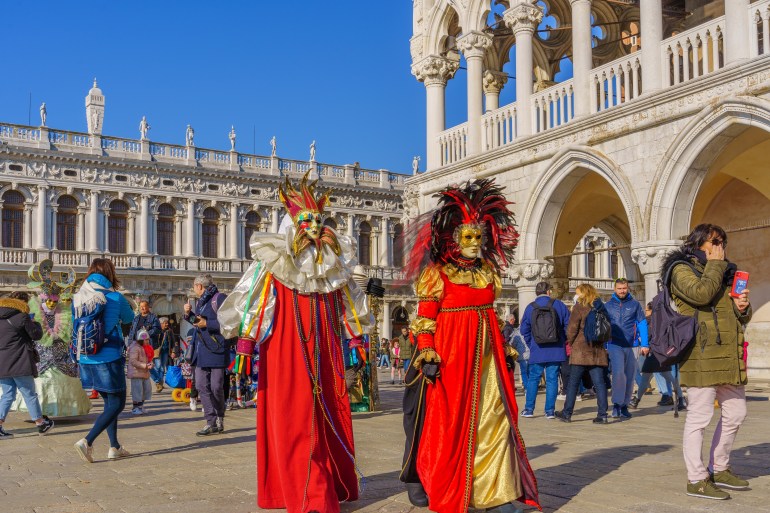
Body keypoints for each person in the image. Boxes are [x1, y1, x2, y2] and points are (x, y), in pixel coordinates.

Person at [218, 173, 372, 513]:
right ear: (292, 224)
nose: (316, 227)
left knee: (326, 412)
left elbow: (351, 303)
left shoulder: (335, 268)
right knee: (295, 417)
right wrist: (245, 344)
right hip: (287, 351)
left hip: (327, 351)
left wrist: (356, 337)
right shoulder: (274, 263)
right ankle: (309, 495)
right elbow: (254, 303)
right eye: (307, 220)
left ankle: (327, 484)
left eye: (319, 220)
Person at [402, 178, 540, 512]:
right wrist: (426, 349)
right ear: (453, 237)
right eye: (468, 236)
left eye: (479, 236)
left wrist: (503, 346)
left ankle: (498, 492)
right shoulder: (438, 273)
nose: (475, 243)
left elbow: (489, 313)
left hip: (487, 359)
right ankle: (434, 480)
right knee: (447, 424)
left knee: (494, 419)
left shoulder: (488, 272)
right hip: (450, 358)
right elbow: (425, 317)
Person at [661, 223, 752, 500]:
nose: (720, 246)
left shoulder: (725, 273)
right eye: (714, 241)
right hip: (699, 354)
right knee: (699, 418)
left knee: (736, 412)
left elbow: (737, 318)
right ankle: (697, 478)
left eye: (723, 241)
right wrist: (715, 265)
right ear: (699, 242)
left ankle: (720, 467)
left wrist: (743, 308)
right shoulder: (680, 269)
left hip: (727, 355)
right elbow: (700, 294)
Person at [73, 258, 135, 462]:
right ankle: (87, 441)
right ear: (110, 274)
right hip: (109, 357)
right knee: (118, 403)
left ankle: (114, 447)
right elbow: (128, 319)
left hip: (87, 357)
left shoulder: (79, 297)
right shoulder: (115, 297)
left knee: (110, 403)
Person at [11, 259, 90, 417]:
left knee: (64, 377)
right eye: (49, 301)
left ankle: (64, 408)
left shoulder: (64, 313)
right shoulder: (33, 313)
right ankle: (40, 410)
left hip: (61, 355)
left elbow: (69, 331)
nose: (52, 304)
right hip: (41, 356)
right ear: (42, 300)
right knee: (42, 379)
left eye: (54, 301)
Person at [0, 292, 55, 438]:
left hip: (2, 362)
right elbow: (36, 335)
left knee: (7, 395)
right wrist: (35, 322)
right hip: (19, 361)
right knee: (29, 393)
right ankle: (41, 423)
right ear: (23, 303)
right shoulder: (22, 317)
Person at [555, 284, 610, 424]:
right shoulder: (600, 307)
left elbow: (571, 329)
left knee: (573, 383)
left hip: (581, 350)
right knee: (599, 383)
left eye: (577, 292)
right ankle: (603, 414)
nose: (576, 295)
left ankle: (567, 413)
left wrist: (572, 343)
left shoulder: (579, 307)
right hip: (597, 350)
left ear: (583, 293)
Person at [184, 274, 229, 436]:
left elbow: (229, 322)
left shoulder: (220, 298)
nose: (194, 290)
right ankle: (210, 421)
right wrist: (189, 315)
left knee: (217, 386)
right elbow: (199, 323)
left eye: (194, 286)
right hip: (201, 349)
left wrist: (208, 323)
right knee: (202, 385)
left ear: (199, 286)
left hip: (216, 348)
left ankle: (219, 417)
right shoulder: (202, 302)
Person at [520, 281, 569, 419]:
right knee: (552, 379)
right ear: (548, 292)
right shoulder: (559, 304)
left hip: (538, 349)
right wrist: (561, 340)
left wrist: (532, 344)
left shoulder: (530, 307)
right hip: (556, 348)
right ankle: (550, 411)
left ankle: (529, 409)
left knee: (533, 379)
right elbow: (568, 325)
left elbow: (524, 330)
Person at [604, 278, 648, 419]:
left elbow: (642, 324)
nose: (622, 291)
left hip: (632, 344)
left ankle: (625, 405)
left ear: (627, 288)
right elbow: (603, 326)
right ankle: (616, 404)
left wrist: (645, 344)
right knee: (618, 374)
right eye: (619, 288)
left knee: (630, 376)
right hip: (614, 344)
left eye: (624, 288)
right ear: (615, 289)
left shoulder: (635, 305)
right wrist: (604, 345)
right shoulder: (608, 305)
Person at [629, 302, 685, 411]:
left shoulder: (649, 321)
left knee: (646, 378)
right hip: (662, 353)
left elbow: (647, 336)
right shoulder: (664, 321)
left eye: (647, 310)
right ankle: (681, 399)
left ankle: (636, 400)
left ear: (651, 311)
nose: (645, 312)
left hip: (652, 353)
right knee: (669, 378)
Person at [127, 329, 153, 415]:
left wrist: (150, 364)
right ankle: (135, 408)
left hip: (144, 372)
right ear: (141, 340)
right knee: (137, 391)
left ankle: (141, 406)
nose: (147, 341)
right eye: (146, 340)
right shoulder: (135, 347)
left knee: (146, 390)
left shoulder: (145, 347)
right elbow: (133, 361)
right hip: (136, 373)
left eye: (148, 339)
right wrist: (145, 365)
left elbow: (148, 358)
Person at [152, 317, 174, 392]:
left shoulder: (169, 331)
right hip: (157, 351)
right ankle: (158, 382)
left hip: (165, 351)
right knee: (158, 367)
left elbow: (173, 341)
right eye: (165, 323)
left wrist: (173, 351)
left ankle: (159, 384)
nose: (167, 324)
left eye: (167, 323)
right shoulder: (156, 331)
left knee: (162, 367)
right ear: (161, 324)